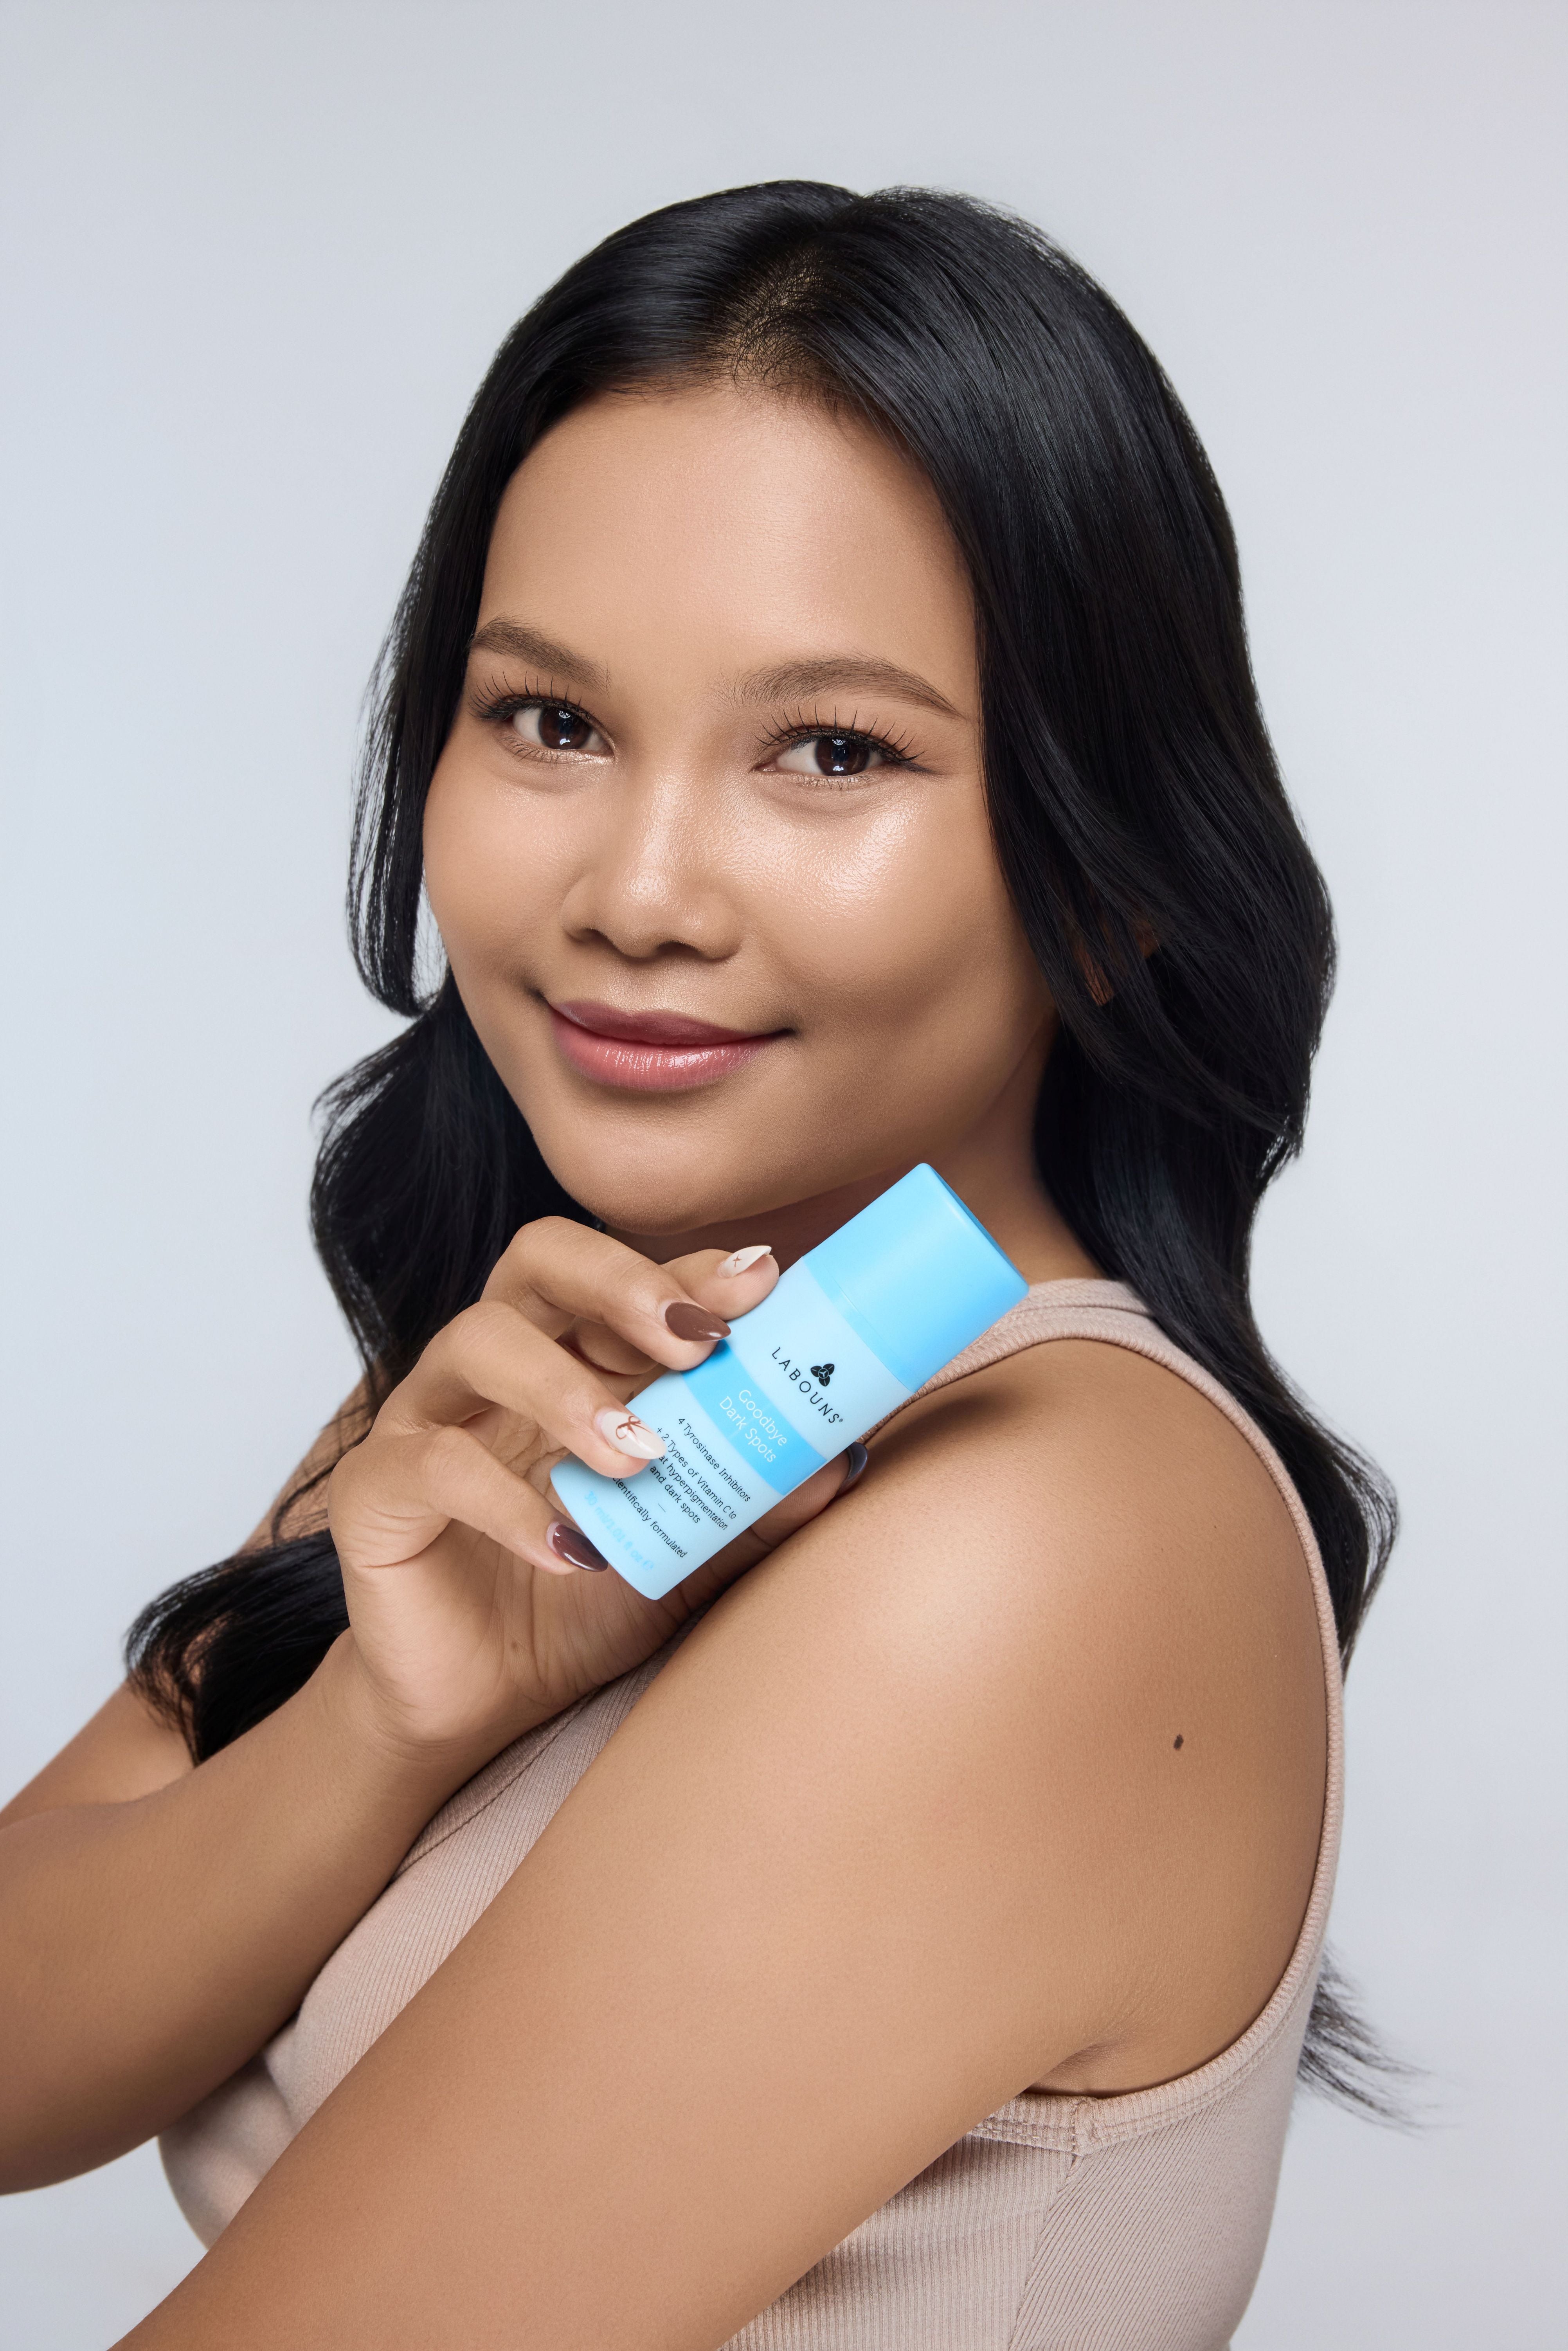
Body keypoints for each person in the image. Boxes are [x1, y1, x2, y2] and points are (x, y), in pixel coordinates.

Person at [0, 182, 1395, 2348]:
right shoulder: (566, 1370)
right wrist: (379, 1718)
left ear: (1111, 872)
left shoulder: (1040, 1537)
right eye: (549, 719)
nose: (634, 888)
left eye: (830, 751)